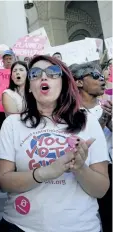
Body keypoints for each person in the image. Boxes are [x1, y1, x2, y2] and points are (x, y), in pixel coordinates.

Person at [0, 55, 110, 232]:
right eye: (35, 73)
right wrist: (44, 173)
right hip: (21, 226)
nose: (43, 76)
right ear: (30, 88)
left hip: (81, 227)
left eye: (53, 72)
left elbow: (101, 189)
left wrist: (80, 168)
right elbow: (4, 181)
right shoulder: (12, 124)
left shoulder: (88, 121)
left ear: (64, 82)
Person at [70, 62, 112, 232]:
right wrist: (102, 121)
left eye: (102, 76)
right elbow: (82, 142)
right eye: (95, 76)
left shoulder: (109, 105)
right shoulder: (70, 112)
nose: (102, 80)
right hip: (82, 173)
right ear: (79, 82)